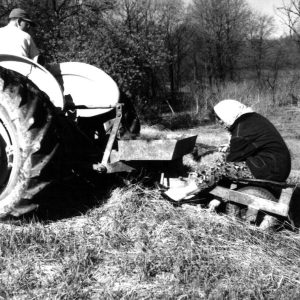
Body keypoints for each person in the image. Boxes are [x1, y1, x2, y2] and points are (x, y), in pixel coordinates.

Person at [163, 99, 291, 207]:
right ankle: (209, 193)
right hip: (274, 164)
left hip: (270, 168)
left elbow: (229, 163)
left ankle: (182, 193)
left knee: (222, 167)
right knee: (224, 162)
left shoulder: (242, 130)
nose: (219, 122)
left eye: (220, 118)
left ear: (228, 114)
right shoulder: (251, 120)